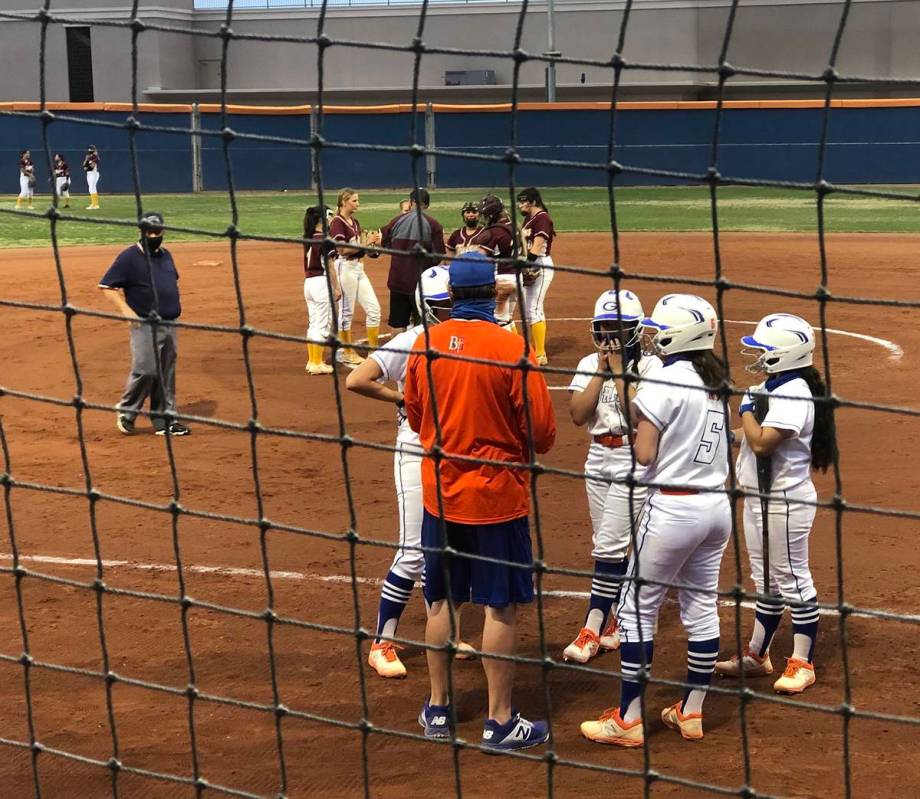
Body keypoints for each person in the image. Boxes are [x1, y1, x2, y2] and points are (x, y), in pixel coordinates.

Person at [404, 252, 556, 752]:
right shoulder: (511, 349)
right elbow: (543, 434)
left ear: (452, 294)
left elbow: (415, 415)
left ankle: (438, 710)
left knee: (441, 600)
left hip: (440, 496)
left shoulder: (424, 344)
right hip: (496, 498)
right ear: (493, 293)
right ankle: (499, 720)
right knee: (500, 606)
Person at [580, 293, 731, 747]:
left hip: (673, 509)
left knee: (634, 610)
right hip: (717, 510)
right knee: (701, 608)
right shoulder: (715, 378)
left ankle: (627, 720)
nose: (649, 335)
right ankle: (691, 711)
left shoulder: (664, 380)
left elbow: (643, 454)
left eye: (655, 328)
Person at [346, 266, 475, 678]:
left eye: (450, 304)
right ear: (425, 307)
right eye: (440, 306)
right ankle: (382, 642)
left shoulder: (460, 338)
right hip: (416, 452)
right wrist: (402, 395)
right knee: (414, 551)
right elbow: (356, 379)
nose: (448, 311)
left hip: (453, 454)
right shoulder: (411, 340)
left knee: (451, 548)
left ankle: (446, 633)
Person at [714, 313, 835, 694]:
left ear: (785, 354)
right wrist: (717, 432)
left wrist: (747, 409)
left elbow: (763, 441)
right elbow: (747, 437)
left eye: (765, 350)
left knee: (793, 580)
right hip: (758, 500)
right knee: (765, 580)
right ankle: (758, 654)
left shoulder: (795, 391)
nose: (758, 356)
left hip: (785, 502)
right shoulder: (776, 385)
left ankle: (803, 662)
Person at [563, 289, 661, 664]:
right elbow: (577, 413)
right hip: (597, 458)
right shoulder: (590, 362)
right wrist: (602, 371)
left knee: (607, 546)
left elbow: (637, 415)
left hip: (632, 458)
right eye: (602, 329)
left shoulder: (652, 367)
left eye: (615, 330)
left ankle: (591, 628)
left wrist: (618, 372)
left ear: (634, 330)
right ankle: (620, 616)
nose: (607, 338)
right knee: (611, 543)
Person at [98, 212, 190, 437]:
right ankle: (127, 411)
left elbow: (170, 281)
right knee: (147, 370)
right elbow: (106, 286)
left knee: (166, 373)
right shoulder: (129, 257)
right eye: (148, 232)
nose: (153, 235)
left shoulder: (166, 255)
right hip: (144, 324)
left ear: (163, 232)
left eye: (156, 232)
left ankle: (165, 420)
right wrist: (127, 311)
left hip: (170, 322)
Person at [380, 187, 446, 334]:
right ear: (427, 205)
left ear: (410, 202)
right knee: (422, 328)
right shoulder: (434, 225)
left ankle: (397, 356)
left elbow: (383, 243)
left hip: (397, 281)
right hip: (420, 284)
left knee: (397, 323)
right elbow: (439, 255)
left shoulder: (396, 221)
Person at [329, 188, 381, 367]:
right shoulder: (337, 222)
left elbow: (360, 249)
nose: (357, 204)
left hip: (359, 267)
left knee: (374, 309)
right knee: (346, 312)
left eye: (358, 201)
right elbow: (341, 250)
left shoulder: (355, 222)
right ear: (344, 202)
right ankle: (346, 352)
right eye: (354, 201)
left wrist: (373, 245)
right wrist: (365, 243)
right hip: (345, 268)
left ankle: (374, 351)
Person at [516, 188, 556, 366]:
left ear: (533, 201)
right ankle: (529, 349)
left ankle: (540, 354)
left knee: (534, 308)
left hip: (539, 264)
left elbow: (538, 244)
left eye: (523, 201)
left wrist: (526, 264)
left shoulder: (542, 218)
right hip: (529, 264)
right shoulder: (528, 219)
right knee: (525, 309)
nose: (520, 205)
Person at [469, 195, 517, 332]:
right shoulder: (513, 225)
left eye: (484, 214)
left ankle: (507, 352)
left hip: (501, 278)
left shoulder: (493, 232)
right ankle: (519, 349)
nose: (482, 217)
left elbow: (479, 258)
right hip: (516, 276)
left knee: (498, 320)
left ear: (491, 214)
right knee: (507, 318)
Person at [303, 205, 340, 375]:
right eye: (330, 216)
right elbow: (330, 265)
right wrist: (337, 287)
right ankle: (317, 363)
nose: (332, 219)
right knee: (323, 324)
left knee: (314, 323)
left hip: (309, 284)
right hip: (321, 283)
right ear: (322, 219)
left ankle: (312, 361)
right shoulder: (325, 239)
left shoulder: (309, 237)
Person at [83, 145, 100, 210]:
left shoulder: (95, 157)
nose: (89, 150)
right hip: (89, 174)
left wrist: (86, 168)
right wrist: (86, 159)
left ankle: (95, 205)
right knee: (91, 189)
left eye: (91, 149)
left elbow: (91, 167)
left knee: (92, 188)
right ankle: (95, 204)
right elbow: (84, 165)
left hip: (93, 173)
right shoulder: (89, 157)